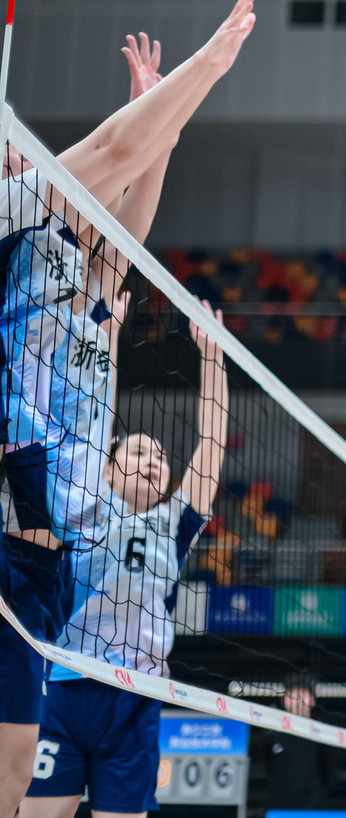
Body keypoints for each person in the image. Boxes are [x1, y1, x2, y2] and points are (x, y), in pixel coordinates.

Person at [1, 0, 255, 818]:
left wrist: (162, 129)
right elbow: (114, 155)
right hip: (14, 522)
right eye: (12, 147)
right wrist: (198, 73)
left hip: (47, 562)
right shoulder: (16, 234)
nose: (22, 153)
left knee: (12, 780)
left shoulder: (80, 288)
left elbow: (128, 228)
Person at [23, 301, 229, 818]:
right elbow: (97, 418)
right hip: (64, 683)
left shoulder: (176, 521)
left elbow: (211, 443)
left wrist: (213, 359)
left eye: (160, 456)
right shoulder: (87, 505)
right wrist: (109, 337)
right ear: (110, 470)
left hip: (135, 697)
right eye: (139, 452)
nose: (154, 461)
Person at [265, 673, 333, 810]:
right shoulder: (272, 735)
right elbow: (269, 769)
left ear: (312, 700)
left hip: (312, 807)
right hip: (280, 808)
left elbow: (329, 772)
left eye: (303, 694)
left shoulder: (322, 733)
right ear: (283, 700)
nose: (298, 700)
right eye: (292, 694)